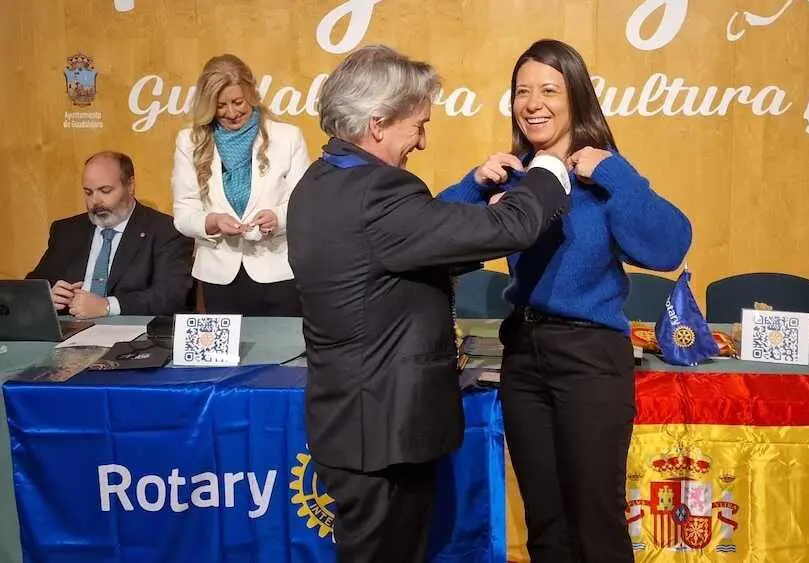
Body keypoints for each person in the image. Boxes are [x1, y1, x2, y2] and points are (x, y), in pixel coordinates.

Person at [286, 44, 571, 563]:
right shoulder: (377, 192)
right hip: (381, 434)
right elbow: (513, 227)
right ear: (377, 123)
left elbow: (408, 250)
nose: (421, 140)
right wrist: (549, 169)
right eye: (417, 125)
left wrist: (473, 193)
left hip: (355, 425)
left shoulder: (321, 180)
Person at [438, 39, 693, 563]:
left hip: (590, 359)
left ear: (576, 96)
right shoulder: (516, 179)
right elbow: (435, 242)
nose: (533, 104)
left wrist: (613, 172)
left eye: (549, 90)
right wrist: (474, 185)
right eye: (522, 91)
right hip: (524, 355)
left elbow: (669, 247)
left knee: (596, 524)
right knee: (546, 526)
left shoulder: (603, 175)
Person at [171, 54, 310, 316]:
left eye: (238, 102)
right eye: (220, 105)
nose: (232, 113)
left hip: (278, 272)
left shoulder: (287, 137)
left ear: (252, 94)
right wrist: (212, 222)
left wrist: (277, 218)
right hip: (218, 276)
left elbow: (303, 204)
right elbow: (184, 212)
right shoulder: (189, 141)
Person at [27, 151, 193, 319]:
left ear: (130, 186)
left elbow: (172, 295)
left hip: (131, 330)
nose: (95, 201)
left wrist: (108, 306)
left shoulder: (166, 231)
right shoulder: (67, 231)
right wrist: (48, 296)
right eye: (88, 192)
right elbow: (30, 288)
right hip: (71, 327)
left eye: (105, 191)